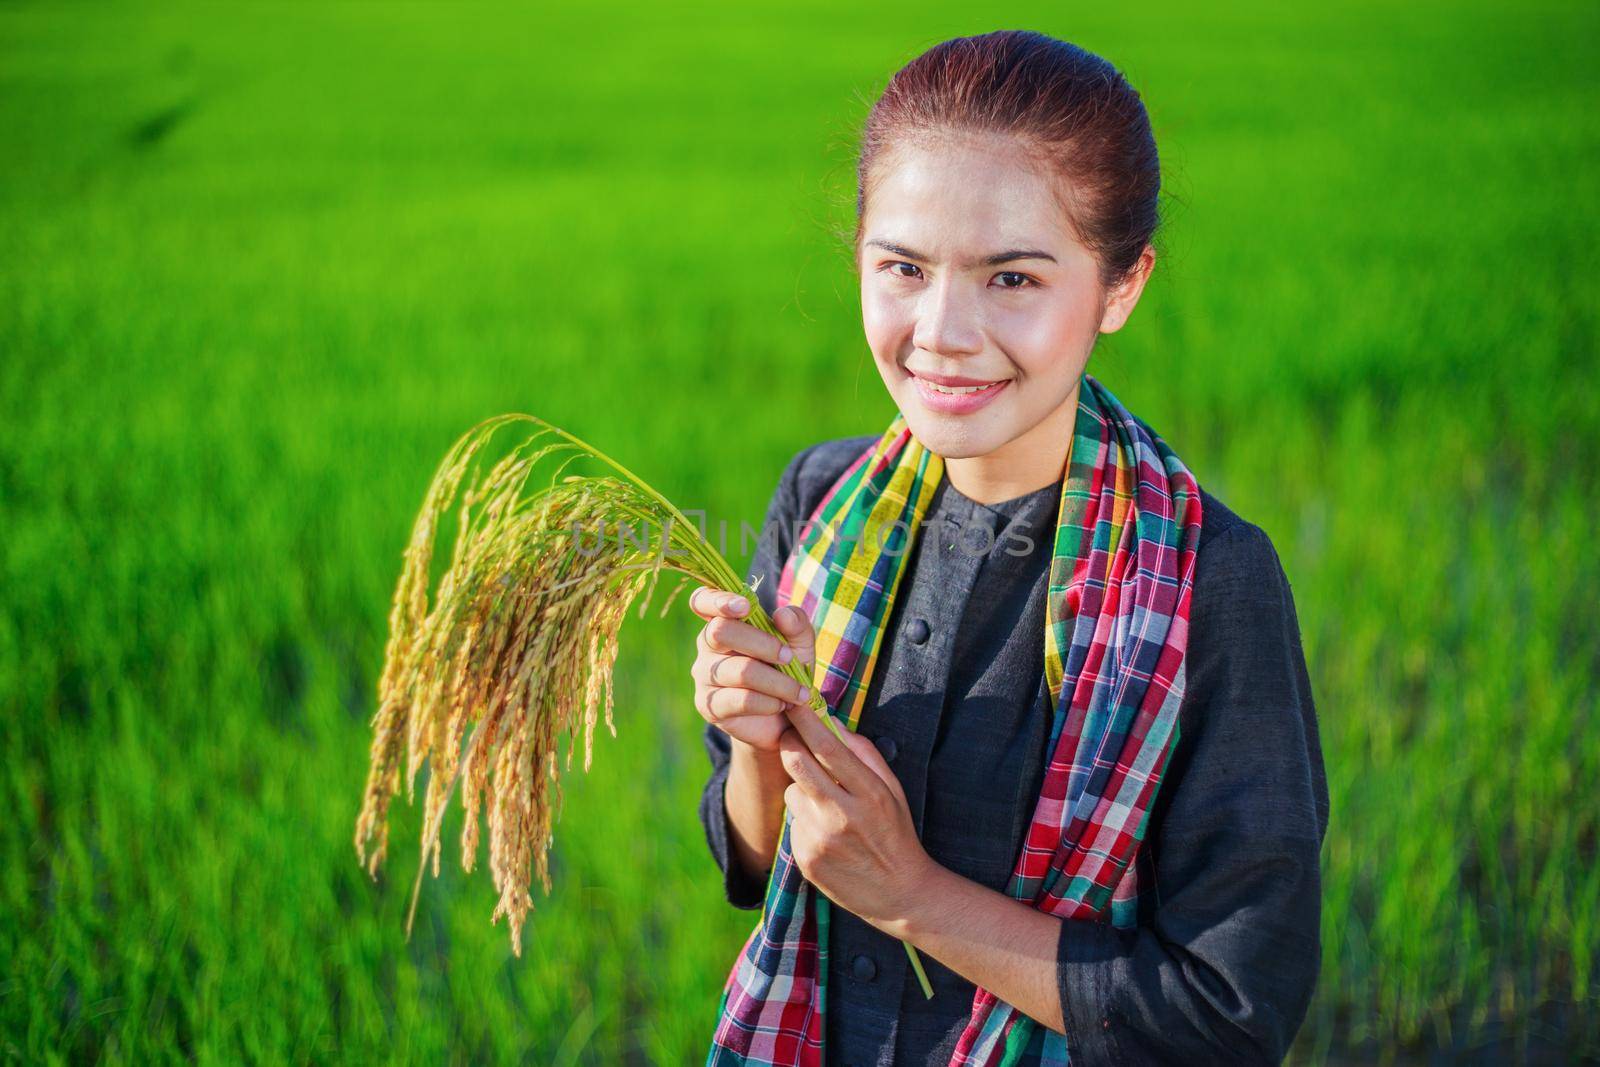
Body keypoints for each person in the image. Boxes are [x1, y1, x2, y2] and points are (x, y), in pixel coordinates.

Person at [688, 30, 1329, 1067]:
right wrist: (757, 741)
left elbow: (1227, 1011)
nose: (941, 330)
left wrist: (918, 899)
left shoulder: (1213, 581)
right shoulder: (819, 502)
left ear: (1120, 286)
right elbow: (756, 859)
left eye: (1013, 279)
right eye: (903, 266)